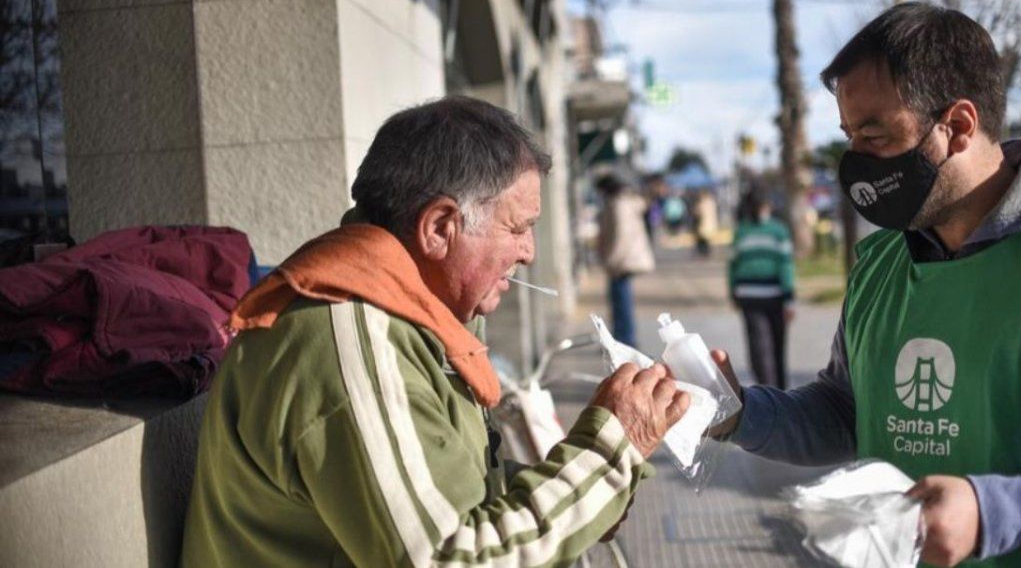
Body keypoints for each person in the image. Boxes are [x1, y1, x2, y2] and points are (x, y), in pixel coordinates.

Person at [711, 3, 1021, 567]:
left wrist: (1000, 512)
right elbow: (849, 410)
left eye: (875, 135)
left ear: (959, 126)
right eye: (848, 135)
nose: (855, 163)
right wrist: (739, 412)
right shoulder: (879, 266)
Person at [181, 97, 689, 567]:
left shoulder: (403, 314)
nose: (530, 252)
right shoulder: (348, 343)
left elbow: (444, 490)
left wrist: (586, 493)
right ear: (440, 227)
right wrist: (608, 452)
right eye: (517, 228)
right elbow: (448, 557)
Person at [728, 188, 795, 389]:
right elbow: (786, 265)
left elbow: (732, 266)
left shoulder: (741, 231)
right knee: (775, 347)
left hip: (748, 296)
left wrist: (733, 291)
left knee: (759, 347)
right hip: (774, 296)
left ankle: (769, 390)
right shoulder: (778, 231)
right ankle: (778, 392)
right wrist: (789, 298)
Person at [596, 172, 656, 348]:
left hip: (620, 261)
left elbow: (620, 238)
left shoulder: (618, 205)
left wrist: (610, 260)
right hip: (623, 260)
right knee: (621, 300)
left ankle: (624, 339)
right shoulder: (624, 202)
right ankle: (622, 338)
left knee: (621, 300)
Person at [691, 189, 719, 257]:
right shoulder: (712, 201)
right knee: (706, 239)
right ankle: (706, 252)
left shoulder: (703, 202)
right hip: (710, 223)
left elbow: (698, 212)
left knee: (702, 239)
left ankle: (703, 252)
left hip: (703, 223)